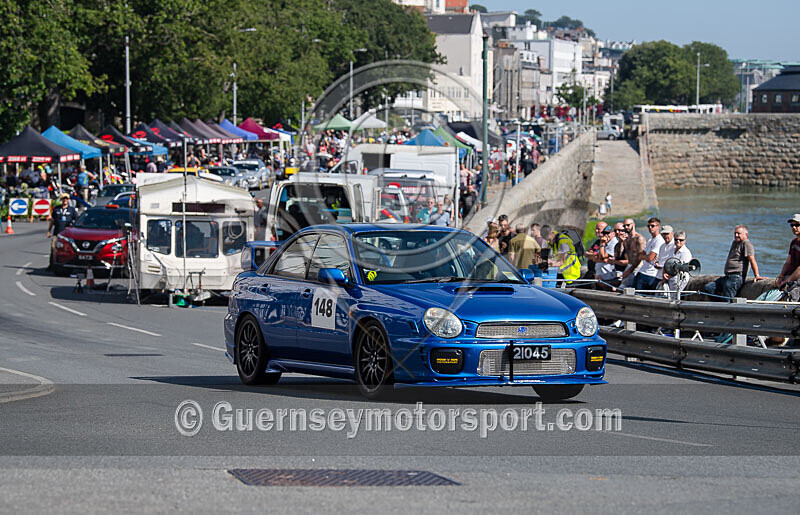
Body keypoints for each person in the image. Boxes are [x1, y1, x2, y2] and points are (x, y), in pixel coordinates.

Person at [702, 225, 766, 300]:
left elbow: (752, 260)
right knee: (709, 288)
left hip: (735, 277)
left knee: (727, 299)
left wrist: (757, 275)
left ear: (746, 234)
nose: (736, 235)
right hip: (727, 276)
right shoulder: (735, 243)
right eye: (735, 233)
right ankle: (720, 305)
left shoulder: (746, 244)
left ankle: (725, 309)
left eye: (738, 233)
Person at [46, 193, 79, 269]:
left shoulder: (72, 210)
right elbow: (52, 220)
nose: (65, 200)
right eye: (64, 199)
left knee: (66, 250)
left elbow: (76, 220)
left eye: (66, 199)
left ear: (68, 200)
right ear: (61, 200)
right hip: (57, 233)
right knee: (53, 249)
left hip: (67, 234)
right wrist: (49, 230)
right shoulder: (56, 209)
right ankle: (52, 265)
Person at [662, 230, 693, 300]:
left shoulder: (686, 252)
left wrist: (669, 276)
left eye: (681, 240)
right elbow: (666, 262)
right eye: (676, 239)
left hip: (679, 279)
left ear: (685, 241)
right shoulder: (671, 249)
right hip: (670, 278)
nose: (678, 241)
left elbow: (681, 268)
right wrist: (664, 274)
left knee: (675, 298)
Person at [775, 214, 800, 297]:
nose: (794, 227)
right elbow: (788, 262)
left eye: (797, 225)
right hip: (790, 276)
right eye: (792, 225)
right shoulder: (793, 242)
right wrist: (781, 276)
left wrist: (787, 281)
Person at [595, 225, 618, 289]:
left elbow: (602, 256)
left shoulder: (613, 243)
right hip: (602, 272)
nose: (605, 235)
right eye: (604, 233)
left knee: (599, 282)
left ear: (613, 233)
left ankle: (613, 289)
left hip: (610, 272)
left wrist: (602, 244)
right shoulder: (602, 242)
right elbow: (591, 253)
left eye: (608, 233)